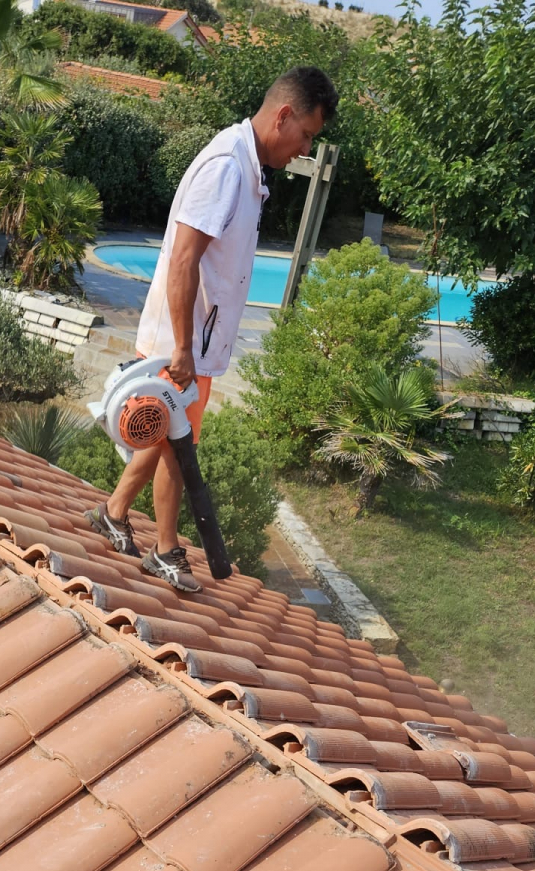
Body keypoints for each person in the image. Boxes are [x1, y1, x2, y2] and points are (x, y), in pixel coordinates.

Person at [87, 66, 338, 592]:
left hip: (194, 339)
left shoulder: (247, 166)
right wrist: (182, 349)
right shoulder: (226, 167)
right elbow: (183, 261)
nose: (305, 149)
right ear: (283, 115)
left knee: (165, 432)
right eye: (306, 135)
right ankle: (165, 550)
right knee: (178, 444)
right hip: (183, 342)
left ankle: (114, 512)